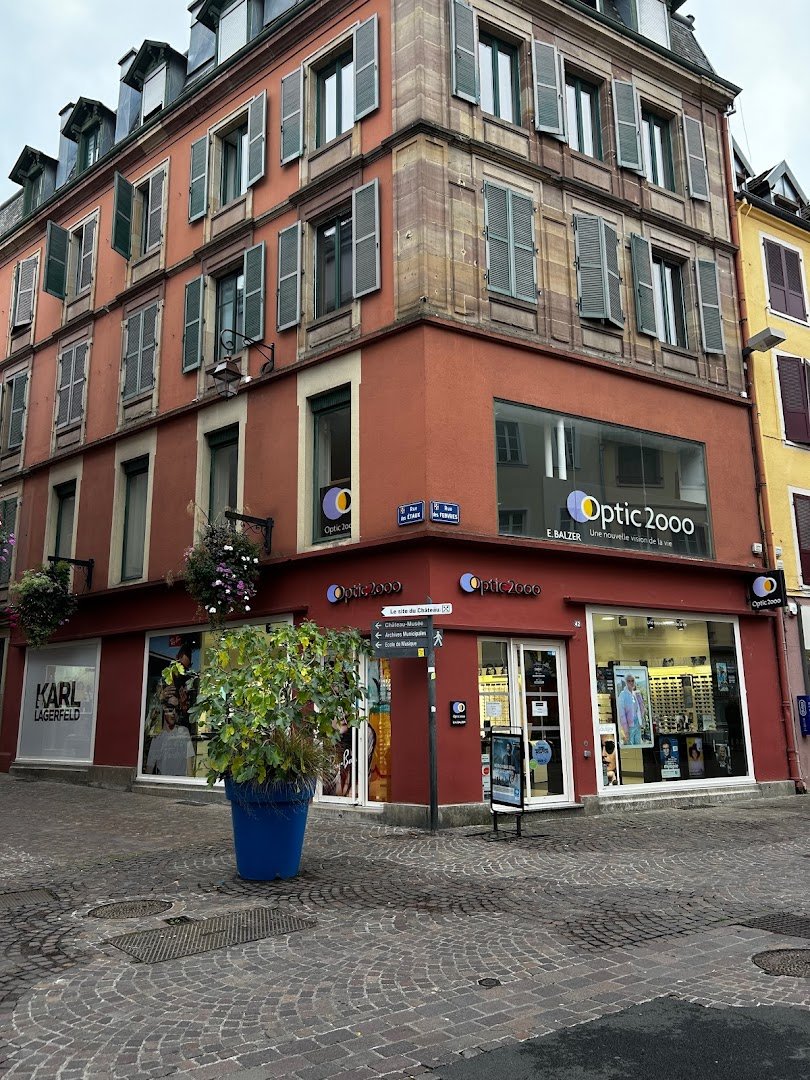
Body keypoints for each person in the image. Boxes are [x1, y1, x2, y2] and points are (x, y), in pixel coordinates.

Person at [145, 687, 195, 777]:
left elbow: (190, 769)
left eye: (177, 709)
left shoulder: (184, 732)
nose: (174, 713)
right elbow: (149, 768)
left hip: (180, 780)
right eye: (171, 708)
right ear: (164, 708)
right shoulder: (158, 735)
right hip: (163, 780)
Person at [617, 674, 645, 746]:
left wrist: (641, 721)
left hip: (637, 724)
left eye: (632, 681)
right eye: (628, 681)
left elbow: (641, 708)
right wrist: (625, 730)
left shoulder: (636, 694)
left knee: (638, 744)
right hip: (629, 726)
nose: (631, 682)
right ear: (626, 682)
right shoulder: (622, 695)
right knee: (630, 745)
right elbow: (622, 714)